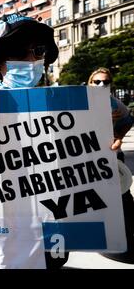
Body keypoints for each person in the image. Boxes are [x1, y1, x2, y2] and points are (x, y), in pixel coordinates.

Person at [0, 13, 68, 269]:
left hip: (50, 229)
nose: (32, 59)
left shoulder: (65, 105)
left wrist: (105, 147)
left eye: (38, 51)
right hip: (0, 231)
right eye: (19, 52)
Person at [88, 67, 134, 263]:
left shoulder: (114, 104)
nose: (101, 85)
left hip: (114, 160)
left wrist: (119, 137)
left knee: (123, 200)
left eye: (105, 82)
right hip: (87, 162)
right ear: (89, 83)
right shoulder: (77, 103)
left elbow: (128, 120)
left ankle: (130, 238)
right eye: (97, 81)